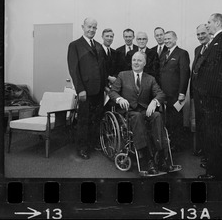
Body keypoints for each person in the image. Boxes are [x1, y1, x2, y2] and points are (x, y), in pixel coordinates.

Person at [191, 13, 222, 179]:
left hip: (214, 95)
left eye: (209, 22)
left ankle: (216, 173)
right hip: (205, 95)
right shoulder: (213, 42)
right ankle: (212, 170)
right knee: (211, 133)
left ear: (218, 22)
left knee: (215, 134)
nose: (207, 25)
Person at [109, 51, 173, 174]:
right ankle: (147, 158)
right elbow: (113, 92)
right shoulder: (123, 75)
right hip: (128, 111)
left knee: (157, 115)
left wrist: (154, 101)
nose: (136, 63)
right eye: (134, 60)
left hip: (144, 110)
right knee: (137, 116)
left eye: (139, 60)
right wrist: (119, 98)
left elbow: (160, 93)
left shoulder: (150, 78)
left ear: (144, 63)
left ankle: (161, 156)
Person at [67, 17, 107, 160]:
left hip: (99, 90)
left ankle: (92, 144)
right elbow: (73, 69)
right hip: (85, 91)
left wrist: (105, 87)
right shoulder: (75, 45)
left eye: (94, 27)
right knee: (83, 120)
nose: (91, 30)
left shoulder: (98, 45)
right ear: (82, 27)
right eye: (89, 27)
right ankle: (82, 148)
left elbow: (102, 68)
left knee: (95, 118)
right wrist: (80, 89)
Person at [160, 31, 190, 152]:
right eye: (165, 39)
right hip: (164, 94)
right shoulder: (164, 54)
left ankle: (177, 146)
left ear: (175, 38)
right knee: (166, 120)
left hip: (176, 95)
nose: (167, 41)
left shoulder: (182, 53)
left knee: (176, 120)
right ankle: (169, 143)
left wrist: (182, 92)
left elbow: (185, 74)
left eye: (169, 39)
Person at [189, 24, 212, 169]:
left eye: (203, 33)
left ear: (209, 32)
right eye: (198, 34)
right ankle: (204, 152)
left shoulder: (214, 49)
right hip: (197, 95)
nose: (200, 36)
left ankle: (209, 157)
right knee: (201, 126)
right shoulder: (198, 49)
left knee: (209, 127)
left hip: (209, 95)